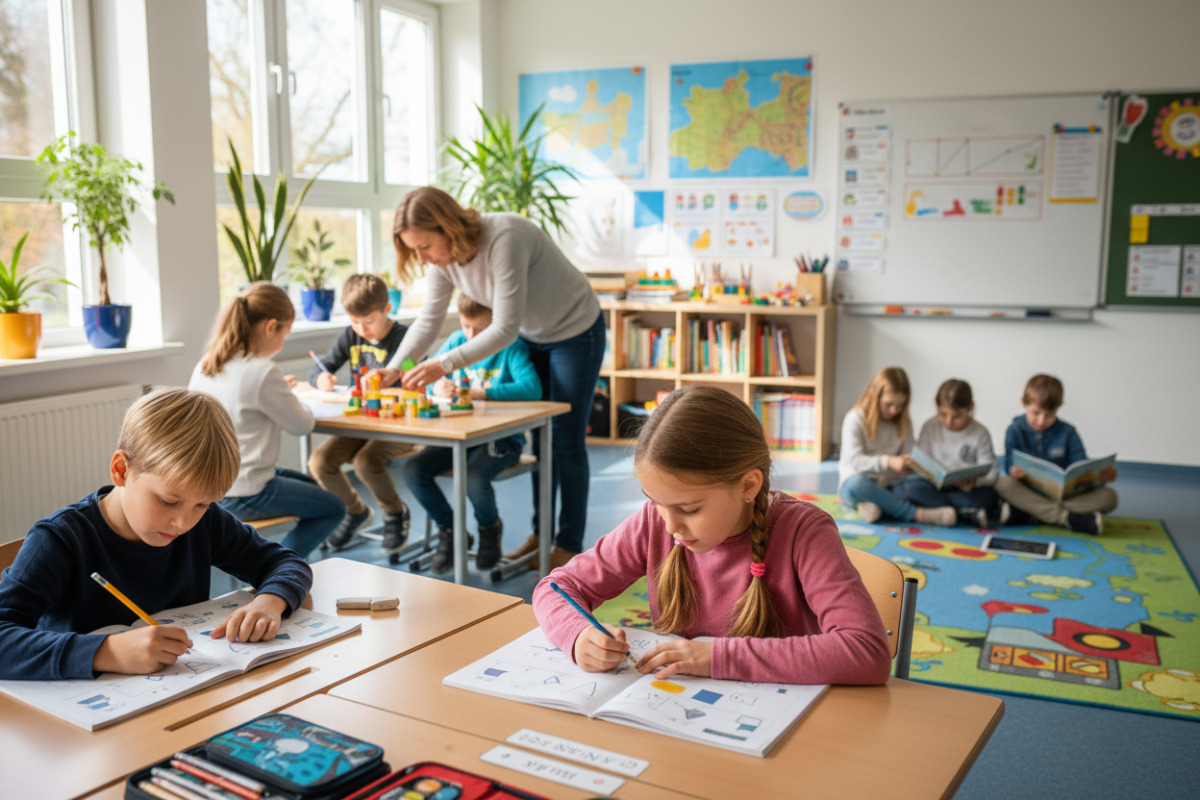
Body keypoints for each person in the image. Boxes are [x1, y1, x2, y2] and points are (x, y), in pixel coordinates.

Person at [532, 386, 891, 685]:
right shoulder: (653, 523)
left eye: (689, 509)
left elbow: (866, 651)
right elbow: (555, 587)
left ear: (748, 485)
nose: (670, 526)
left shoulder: (804, 533)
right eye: (655, 502)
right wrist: (578, 634)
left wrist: (716, 657)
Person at [0, 388, 313, 680]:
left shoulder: (206, 522)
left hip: (177, 694)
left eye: (202, 504)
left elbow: (285, 562)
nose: (183, 523)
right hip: (82, 711)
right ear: (121, 470)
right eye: (168, 501)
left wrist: (269, 602)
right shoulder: (60, 539)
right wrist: (106, 652)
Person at [382, 187, 605, 570]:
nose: (422, 258)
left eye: (425, 246)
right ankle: (541, 535)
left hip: (574, 331)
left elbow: (503, 328)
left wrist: (443, 364)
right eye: (414, 250)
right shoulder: (443, 260)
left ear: (448, 227)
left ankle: (568, 544)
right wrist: (396, 366)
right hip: (533, 333)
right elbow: (429, 320)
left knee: (564, 441)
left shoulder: (505, 237)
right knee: (541, 439)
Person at [189, 282, 344, 558]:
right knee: (333, 507)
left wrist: (278, 390)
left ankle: (272, 562)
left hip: (209, 485)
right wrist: (289, 395)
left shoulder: (206, 364)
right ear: (271, 326)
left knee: (311, 487)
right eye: (285, 332)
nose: (284, 340)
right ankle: (275, 566)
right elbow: (302, 425)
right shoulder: (262, 371)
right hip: (245, 491)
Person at [401, 295, 542, 573]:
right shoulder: (456, 341)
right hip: (459, 436)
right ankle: (451, 531)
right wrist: (435, 387)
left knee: (473, 478)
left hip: (502, 439)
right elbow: (428, 380)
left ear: (498, 323)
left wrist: (479, 392)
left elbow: (531, 388)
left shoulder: (511, 346)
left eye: (480, 329)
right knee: (414, 471)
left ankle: (489, 528)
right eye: (466, 326)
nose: (470, 336)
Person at [307, 273, 414, 554]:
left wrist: (397, 376)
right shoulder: (351, 335)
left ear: (387, 309)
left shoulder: (406, 338)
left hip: (401, 424)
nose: (361, 329)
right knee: (320, 462)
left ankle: (395, 512)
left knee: (365, 462)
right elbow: (321, 366)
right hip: (362, 423)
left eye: (368, 321)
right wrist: (321, 378)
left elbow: (416, 370)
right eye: (355, 322)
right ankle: (354, 511)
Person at [995, 373, 1118, 534]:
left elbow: (1080, 465)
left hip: (1062, 496)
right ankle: (1068, 518)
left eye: (1049, 415)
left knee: (1109, 497)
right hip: (1028, 491)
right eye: (1035, 413)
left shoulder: (1068, 432)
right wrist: (1014, 471)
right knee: (1003, 484)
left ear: (1058, 408)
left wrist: (1100, 477)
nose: (1041, 421)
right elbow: (1009, 465)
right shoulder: (1014, 430)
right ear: (1024, 403)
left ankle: (1030, 513)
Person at [838, 366, 956, 526]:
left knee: (918, 486)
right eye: (889, 404)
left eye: (900, 405)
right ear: (873, 395)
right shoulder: (855, 419)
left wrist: (910, 464)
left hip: (892, 484)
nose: (894, 410)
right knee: (857, 486)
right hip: (860, 481)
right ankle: (916, 514)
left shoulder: (903, 422)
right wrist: (888, 462)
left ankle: (877, 506)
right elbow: (855, 461)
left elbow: (909, 454)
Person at [892, 379, 1002, 527]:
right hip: (933, 486)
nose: (949, 421)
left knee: (990, 497)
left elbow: (992, 472)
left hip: (965, 491)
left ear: (970, 407)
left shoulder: (980, 433)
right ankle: (964, 512)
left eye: (957, 416)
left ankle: (947, 510)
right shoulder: (930, 426)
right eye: (943, 414)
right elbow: (920, 462)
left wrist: (975, 482)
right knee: (907, 488)